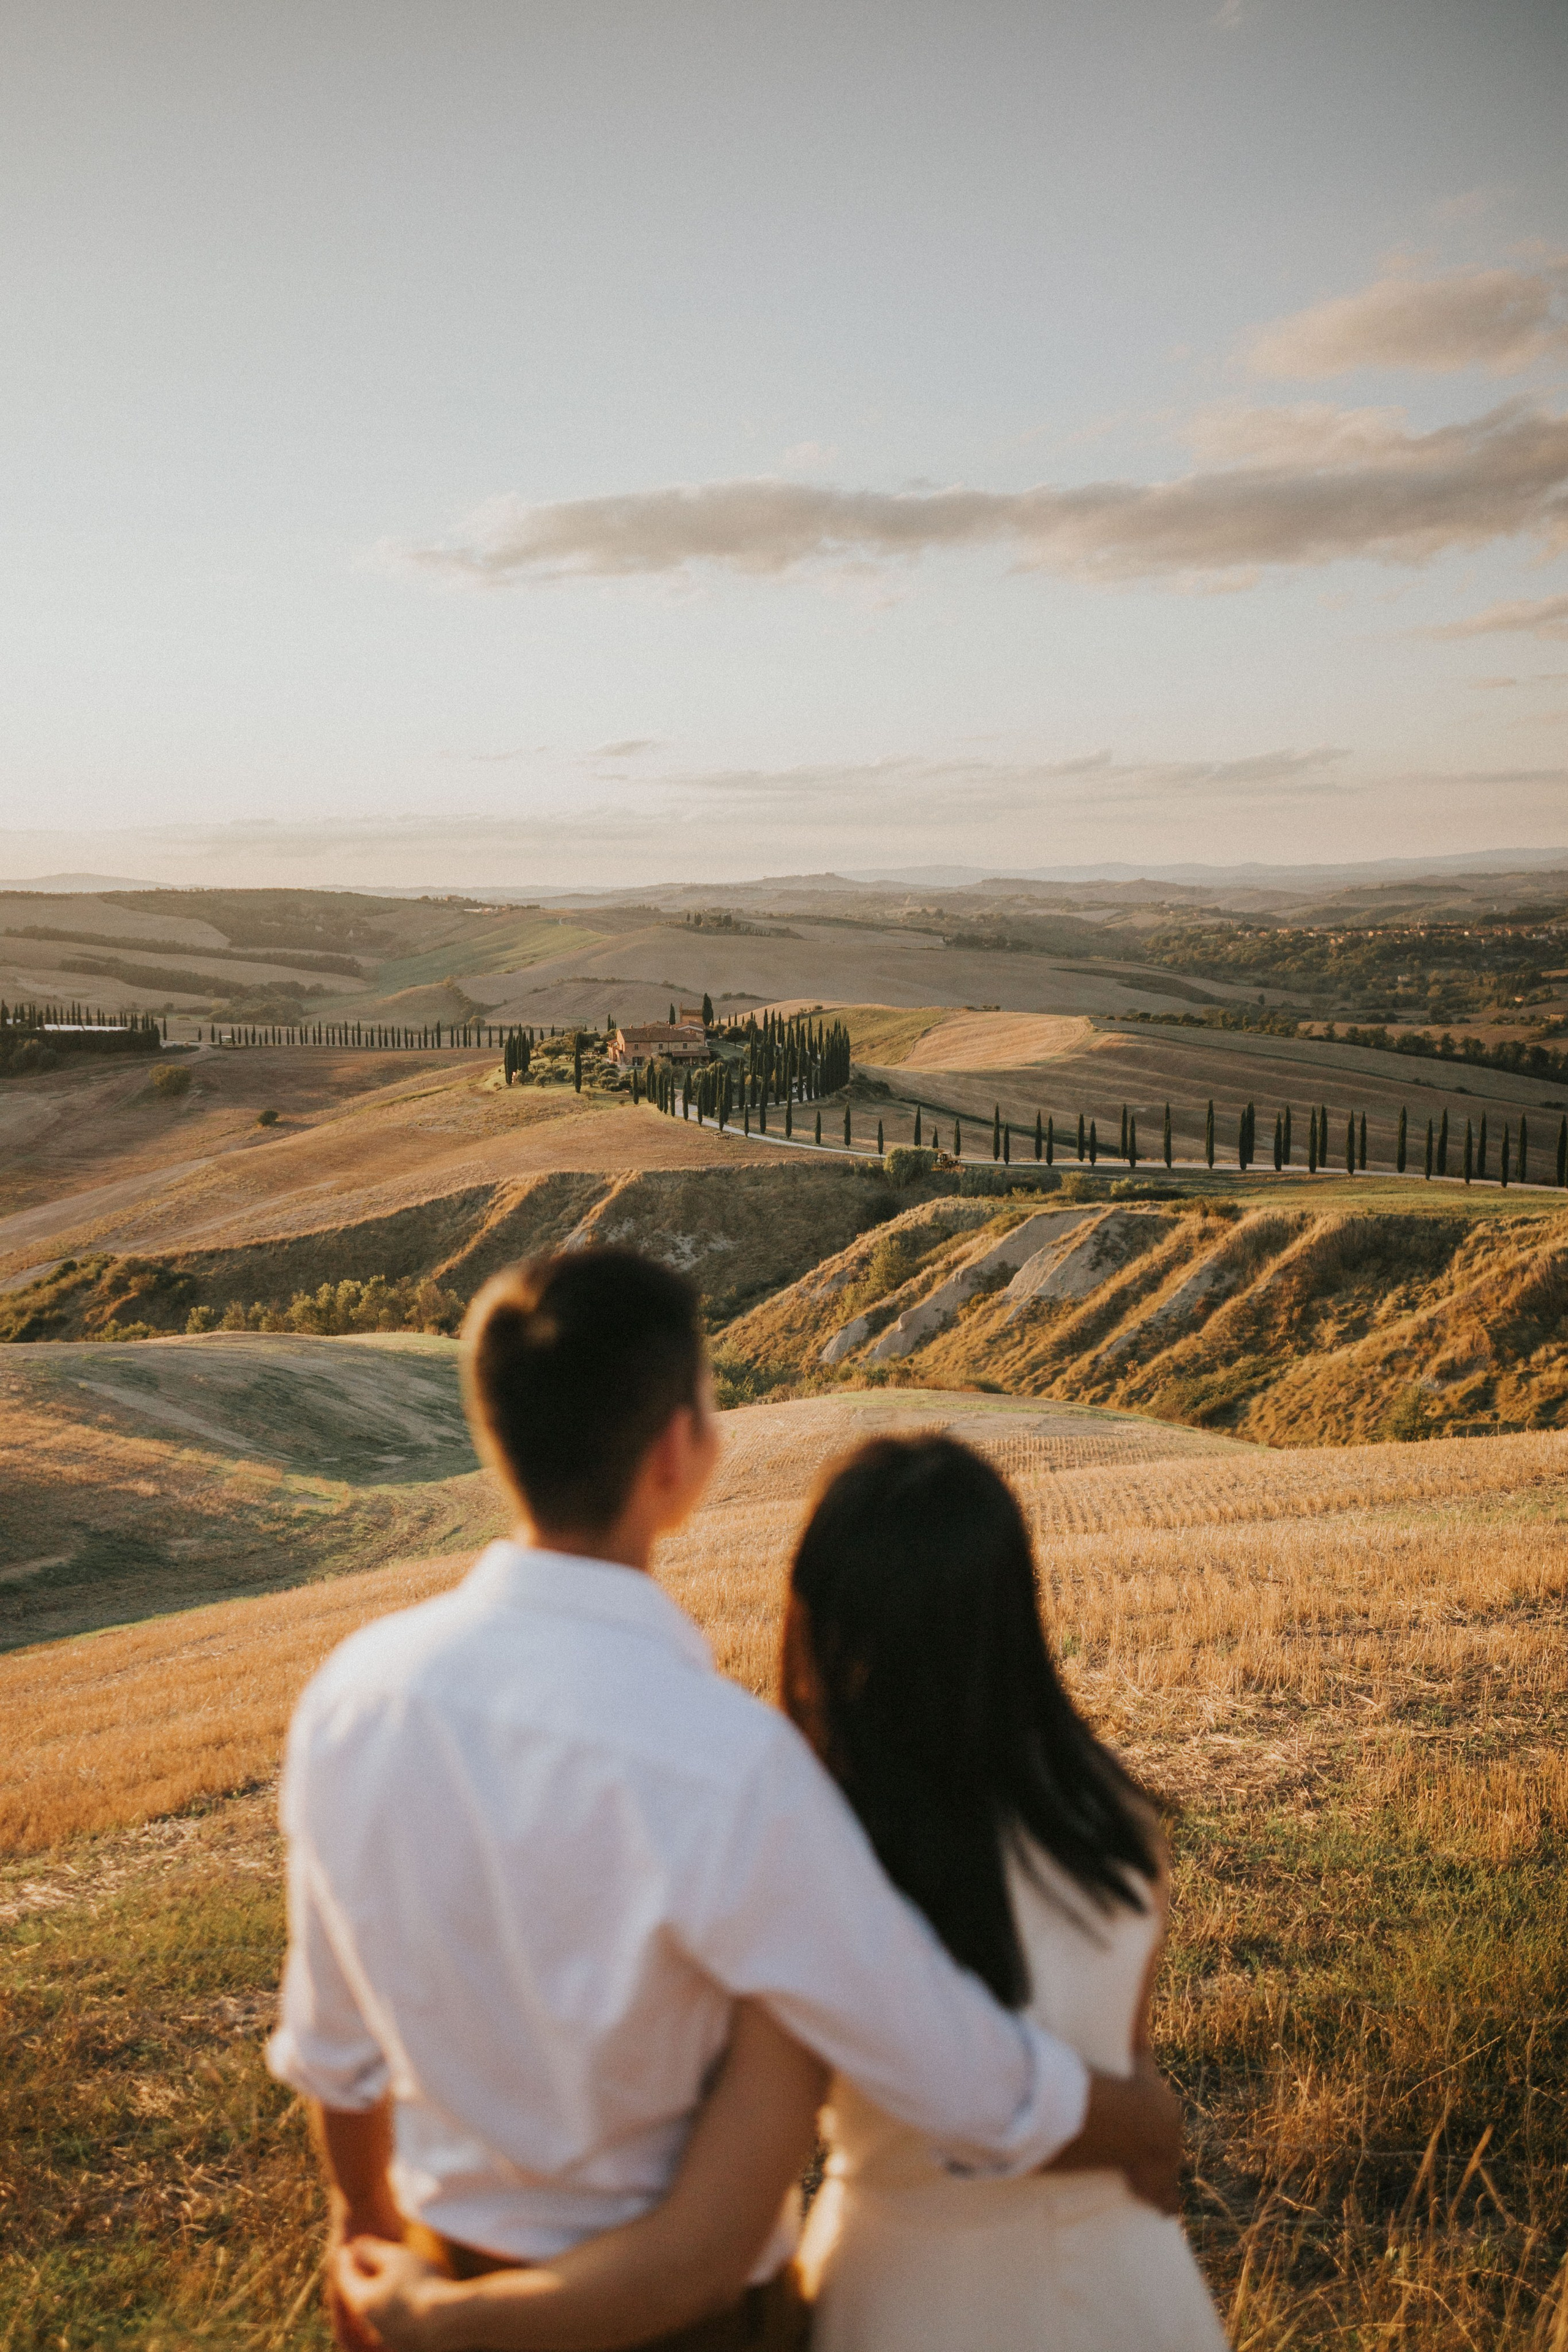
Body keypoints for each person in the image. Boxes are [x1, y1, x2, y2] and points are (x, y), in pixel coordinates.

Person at [270, 1250, 1183, 2352]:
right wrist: (1137, 2117)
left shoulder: (352, 1697)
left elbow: (334, 2042)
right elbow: (946, 2062)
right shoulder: (732, 1766)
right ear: (677, 1451)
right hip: (680, 2319)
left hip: (431, 2258)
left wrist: (360, 2215)